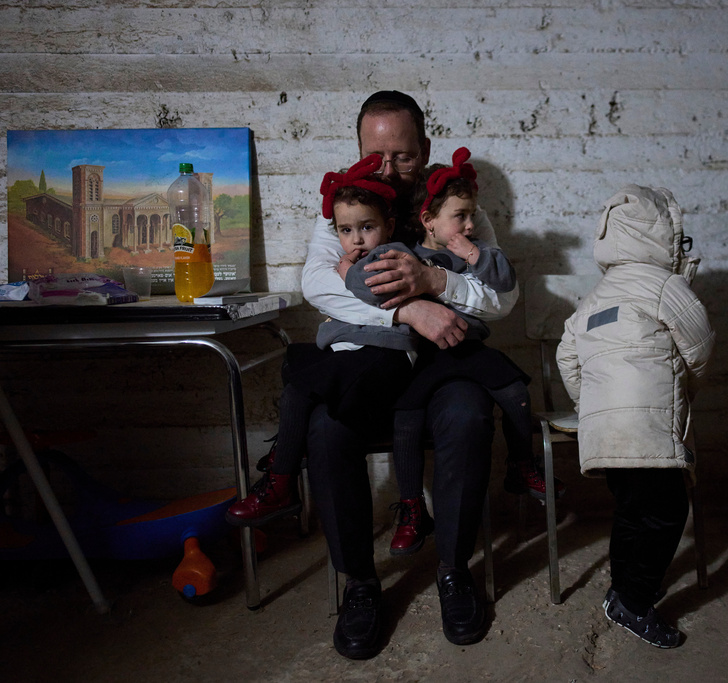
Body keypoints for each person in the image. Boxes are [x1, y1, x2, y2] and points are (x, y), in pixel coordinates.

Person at [301, 91, 519, 658]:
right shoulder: (343, 208)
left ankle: (453, 569)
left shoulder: (456, 207)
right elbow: (318, 285)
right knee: (326, 427)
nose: (387, 168)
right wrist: (404, 309)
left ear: (423, 150)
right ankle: (361, 584)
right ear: (358, 153)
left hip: (444, 364)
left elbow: (503, 298)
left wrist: (437, 284)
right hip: (376, 361)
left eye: (401, 156)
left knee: (469, 416)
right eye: (375, 156)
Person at [343, 148, 565, 556]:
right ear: (428, 221)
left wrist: (474, 254)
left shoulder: (476, 252)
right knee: (406, 417)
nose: (469, 223)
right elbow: (365, 281)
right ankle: (411, 506)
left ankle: (521, 463)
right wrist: (351, 270)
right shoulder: (405, 253)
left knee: (515, 389)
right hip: (424, 354)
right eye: (459, 216)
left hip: (467, 347)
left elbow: (504, 282)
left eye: (471, 215)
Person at [556, 185, 715, 648]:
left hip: (607, 432)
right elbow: (700, 347)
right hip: (650, 428)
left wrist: (593, 408)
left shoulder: (593, 297)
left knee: (631, 510)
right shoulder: (667, 286)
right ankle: (634, 602)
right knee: (666, 513)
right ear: (665, 236)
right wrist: (686, 390)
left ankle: (622, 589)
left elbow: (568, 359)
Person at [225, 155, 415, 525]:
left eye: (367, 228)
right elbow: (315, 286)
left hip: (387, 356)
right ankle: (287, 456)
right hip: (360, 352)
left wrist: (346, 274)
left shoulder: (396, 255)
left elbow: (380, 294)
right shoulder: (356, 255)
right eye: (346, 231)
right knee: (296, 358)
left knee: (299, 391)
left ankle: (281, 483)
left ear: (388, 227)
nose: (357, 239)